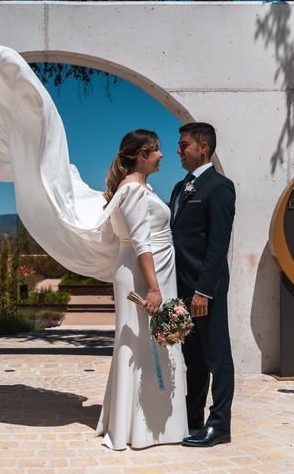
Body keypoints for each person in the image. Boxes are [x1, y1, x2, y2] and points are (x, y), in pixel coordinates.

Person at [95, 129, 188, 450]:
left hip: (152, 270)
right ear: (141, 155)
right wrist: (153, 287)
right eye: (156, 150)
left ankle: (153, 421)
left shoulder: (138, 188)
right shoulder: (133, 190)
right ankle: (138, 427)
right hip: (142, 274)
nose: (162, 155)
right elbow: (140, 241)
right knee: (139, 342)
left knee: (151, 341)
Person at [169, 122, 236, 448]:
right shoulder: (180, 188)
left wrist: (203, 291)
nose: (178, 151)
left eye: (184, 146)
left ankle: (220, 423)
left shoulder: (219, 187)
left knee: (217, 356)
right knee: (192, 357)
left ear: (203, 148)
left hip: (205, 290)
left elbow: (217, 244)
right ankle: (192, 413)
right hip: (182, 289)